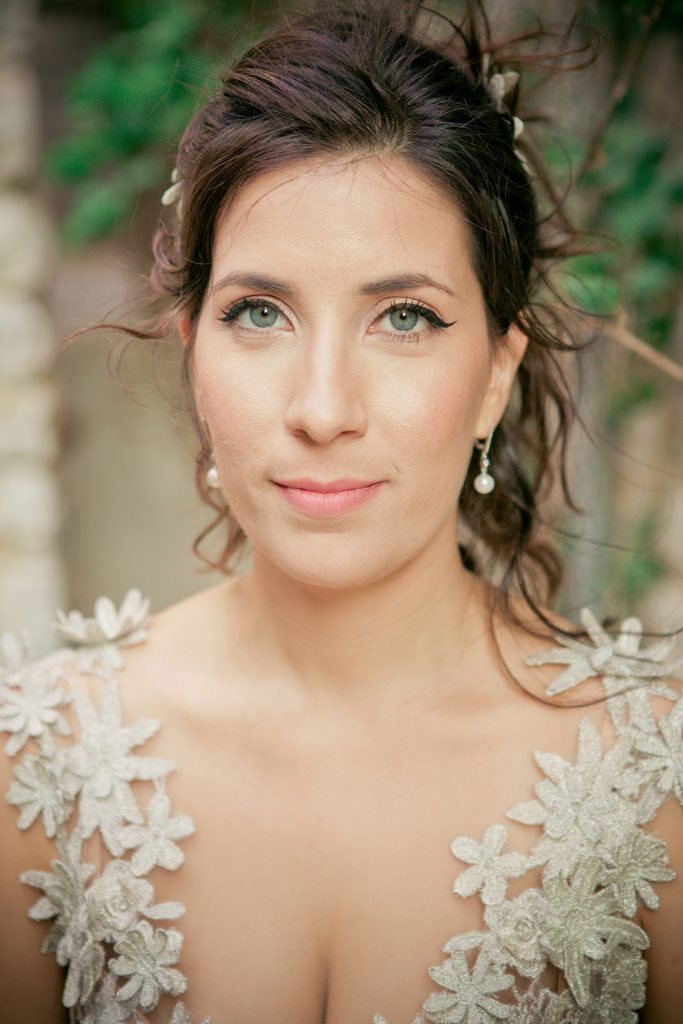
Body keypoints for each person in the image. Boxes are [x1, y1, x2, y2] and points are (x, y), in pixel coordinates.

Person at [1, 1, 682, 1022]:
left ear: (496, 373)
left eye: (403, 317)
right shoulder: (41, 769)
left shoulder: (652, 782)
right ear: (193, 351)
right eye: (258, 313)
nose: (322, 409)